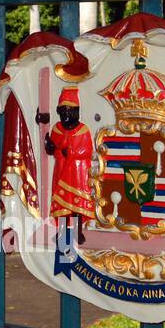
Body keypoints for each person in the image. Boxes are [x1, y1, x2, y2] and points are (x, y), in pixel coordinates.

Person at [45, 87, 94, 245]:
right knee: (61, 204)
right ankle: (61, 233)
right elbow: (53, 148)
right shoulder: (56, 129)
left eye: (70, 111)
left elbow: (86, 150)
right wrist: (51, 147)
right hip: (61, 170)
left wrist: (70, 151)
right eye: (63, 111)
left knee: (77, 205)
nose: (66, 114)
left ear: (76, 112)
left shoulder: (83, 130)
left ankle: (78, 232)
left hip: (77, 174)